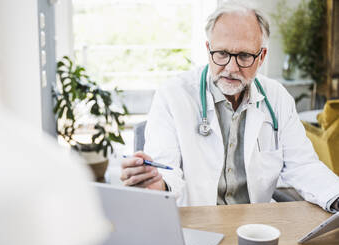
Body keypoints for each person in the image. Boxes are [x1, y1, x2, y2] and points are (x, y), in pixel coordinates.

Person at [120, 2, 339, 212]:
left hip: (257, 224)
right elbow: (166, 170)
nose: (231, 68)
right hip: (196, 221)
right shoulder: (173, 95)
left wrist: (336, 196)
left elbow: (303, 166)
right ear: (208, 50)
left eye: (244, 55)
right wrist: (157, 183)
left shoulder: (277, 98)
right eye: (222, 54)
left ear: (261, 56)